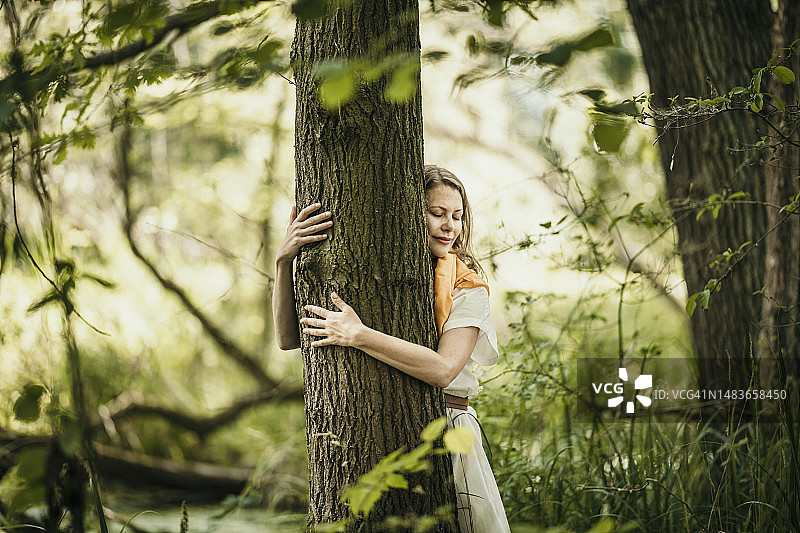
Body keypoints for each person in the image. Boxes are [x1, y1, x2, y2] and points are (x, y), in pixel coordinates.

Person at [272, 165, 511, 533]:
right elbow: (289, 338)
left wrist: (358, 334)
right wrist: (283, 260)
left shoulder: (468, 285)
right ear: (409, 213)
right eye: (437, 214)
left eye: (457, 216)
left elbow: (444, 370)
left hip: (451, 432)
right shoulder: (389, 272)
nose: (450, 226)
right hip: (377, 430)